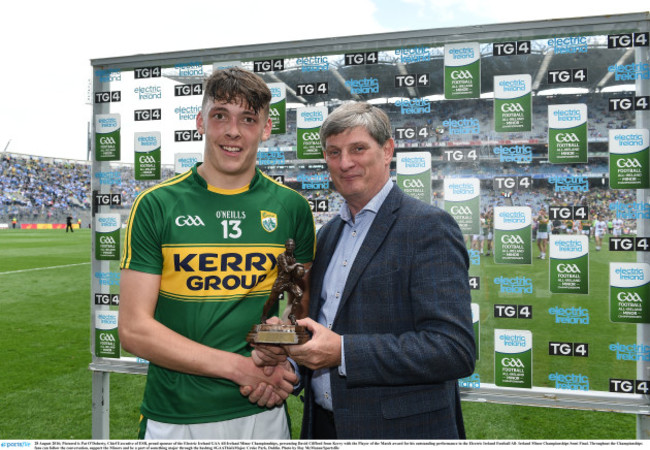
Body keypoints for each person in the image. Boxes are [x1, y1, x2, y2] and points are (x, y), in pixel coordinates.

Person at [249, 102, 475, 439]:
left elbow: (453, 349)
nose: (345, 163)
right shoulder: (327, 236)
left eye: (358, 149)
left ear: (387, 151)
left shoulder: (428, 227)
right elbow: (321, 331)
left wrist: (343, 352)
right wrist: (289, 363)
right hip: (324, 428)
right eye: (333, 152)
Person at [118, 67, 315, 440]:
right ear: (200, 122)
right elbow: (133, 330)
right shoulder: (156, 205)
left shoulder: (292, 208)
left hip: (262, 409)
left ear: (266, 128)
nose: (233, 131)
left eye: (248, 119)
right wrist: (240, 368)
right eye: (220, 115)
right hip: (176, 413)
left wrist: (279, 348)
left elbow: (300, 312)